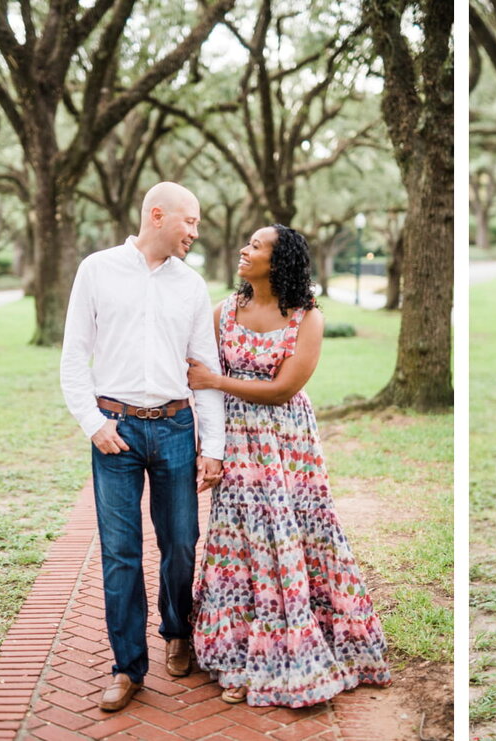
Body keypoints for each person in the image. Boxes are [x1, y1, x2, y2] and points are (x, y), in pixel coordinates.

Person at [187, 224, 390, 707]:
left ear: (279, 262)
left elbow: (283, 389)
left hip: (288, 446)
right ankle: (237, 656)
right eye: (248, 242)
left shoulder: (306, 317)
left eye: (256, 246)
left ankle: (305, 640)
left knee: (297, 534)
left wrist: (216, 379)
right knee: (239, 541)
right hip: (236, 442)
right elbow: (192, 370)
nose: (244, 249)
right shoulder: (225, 311)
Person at [60, 182, 225, 712]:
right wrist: (93, 422)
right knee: (121, 553)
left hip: (177, 428)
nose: (195, 234)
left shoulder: (192, 286)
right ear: (158, 215)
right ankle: (127, 665)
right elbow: (73, 358)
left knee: (181, 542)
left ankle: (177, 629)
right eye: (190, 222)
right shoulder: (97, 269)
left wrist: (213, 445)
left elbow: (204, 372)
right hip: (116, 432)